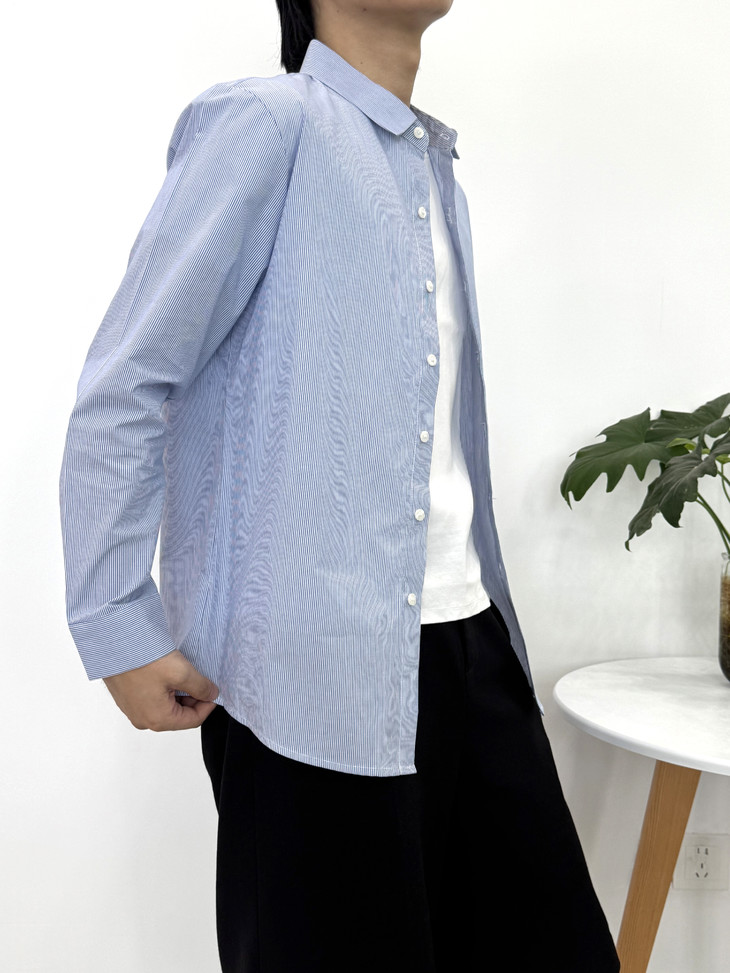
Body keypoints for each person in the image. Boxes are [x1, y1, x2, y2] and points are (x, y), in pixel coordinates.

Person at [59, 1, 621, 970]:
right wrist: (115, 619)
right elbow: (129, 379)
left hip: (470, 639)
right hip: (307, 673)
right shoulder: (267, 122)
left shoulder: (432, 166)